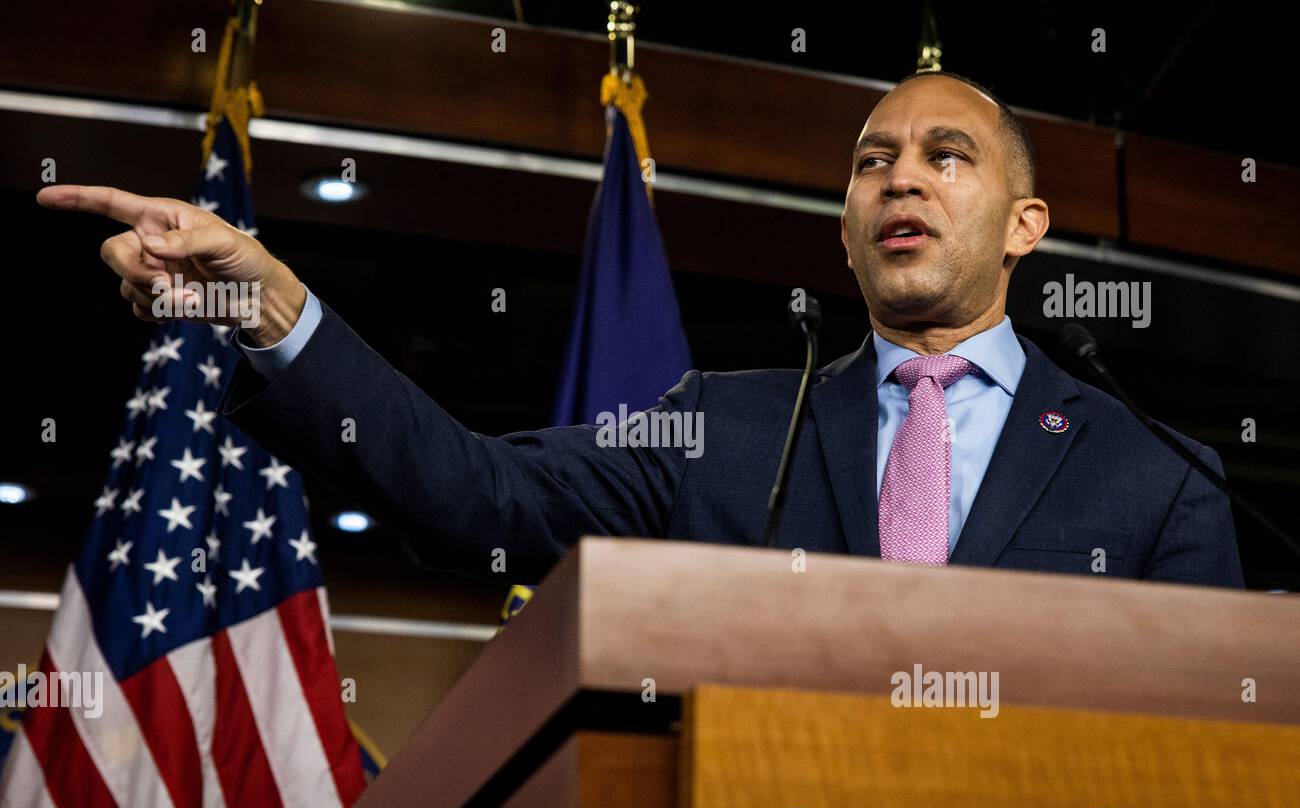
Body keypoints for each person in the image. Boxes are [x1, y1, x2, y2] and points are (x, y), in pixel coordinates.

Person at [38, 72, 1243, 587]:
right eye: (871, 162)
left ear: (1026, 222)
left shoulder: (1160, 475)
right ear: (842, 230)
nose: (898, 180)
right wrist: (269, 305)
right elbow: (476, 497)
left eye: (943, 156)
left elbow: (1211, 770)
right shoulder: (721, 424)